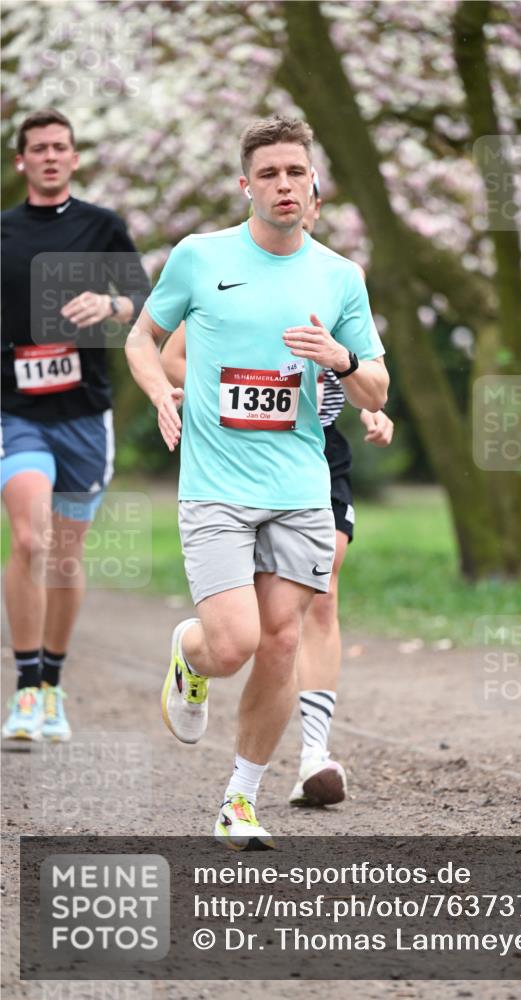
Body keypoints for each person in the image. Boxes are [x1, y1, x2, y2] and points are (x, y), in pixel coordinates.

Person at [124, 115, 388, 849]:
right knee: (233, 643)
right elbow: (141, 337)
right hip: (214, 484)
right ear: (246, 185)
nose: (282, 184)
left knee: (280, 643)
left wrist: (338, 358)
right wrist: (159, 392)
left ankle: (239, 800)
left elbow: (374, 387)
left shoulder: (339, 277)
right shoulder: (199, 257)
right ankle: (192, 651)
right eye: (268, 173)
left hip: (301, 487)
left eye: (294, 172)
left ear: (312, 187)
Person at [1, 108, 150, 742]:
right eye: (39, 148)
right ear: (22, 161)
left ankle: (53, 687)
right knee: (31, 541)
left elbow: (147, 301)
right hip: (17, 411)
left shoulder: (102, 226)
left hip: (86, 414)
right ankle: (25, 689)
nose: (51, 156)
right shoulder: (3, 232)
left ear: (75, 157)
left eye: (61, 147)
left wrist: (110, 302)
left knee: (63, 556)